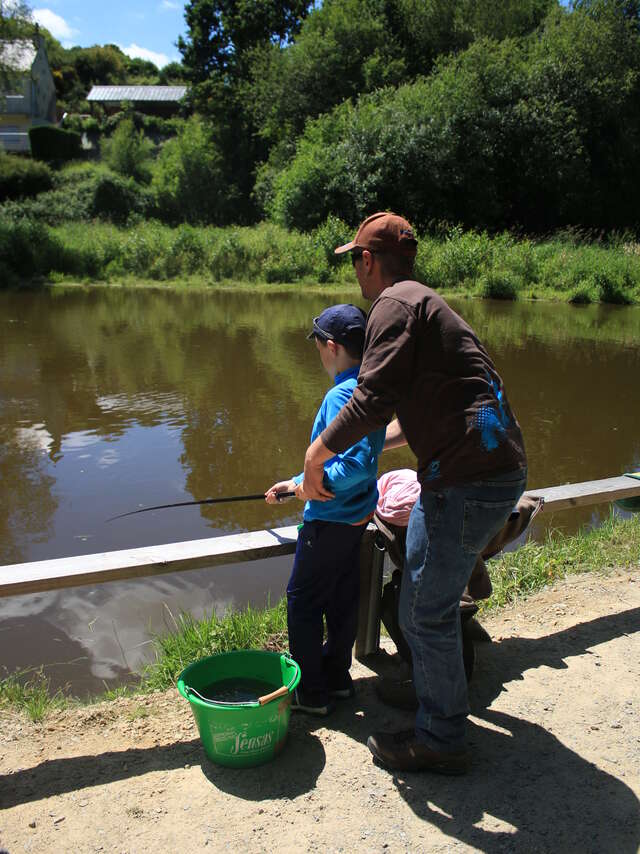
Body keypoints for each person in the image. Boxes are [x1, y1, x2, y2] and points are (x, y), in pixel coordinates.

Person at [300, 212, 527, 772]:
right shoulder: (426, 301)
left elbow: (372, 400)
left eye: (354, 259)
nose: (354, 269)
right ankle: (434, 694)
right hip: (495, 467)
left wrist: (315, 456)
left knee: (425, 610)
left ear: (368, 261)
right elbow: (423, 409)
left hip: (464, 479)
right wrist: (382, 446)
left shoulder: (392, 306)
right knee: (426, 601)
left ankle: (442, 738)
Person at [265, 304, 386, 716]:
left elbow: (354, 464)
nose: (319, 355)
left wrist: (314, 489)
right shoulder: (370, 391)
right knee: (340, 601)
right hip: (354, 522)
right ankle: (337, 680)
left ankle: (309, 693)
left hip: (328, 524)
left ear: (331, 347)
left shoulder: (340, 394)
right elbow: (347, 456)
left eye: (318, 347)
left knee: (302, 602)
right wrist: (296, 483)